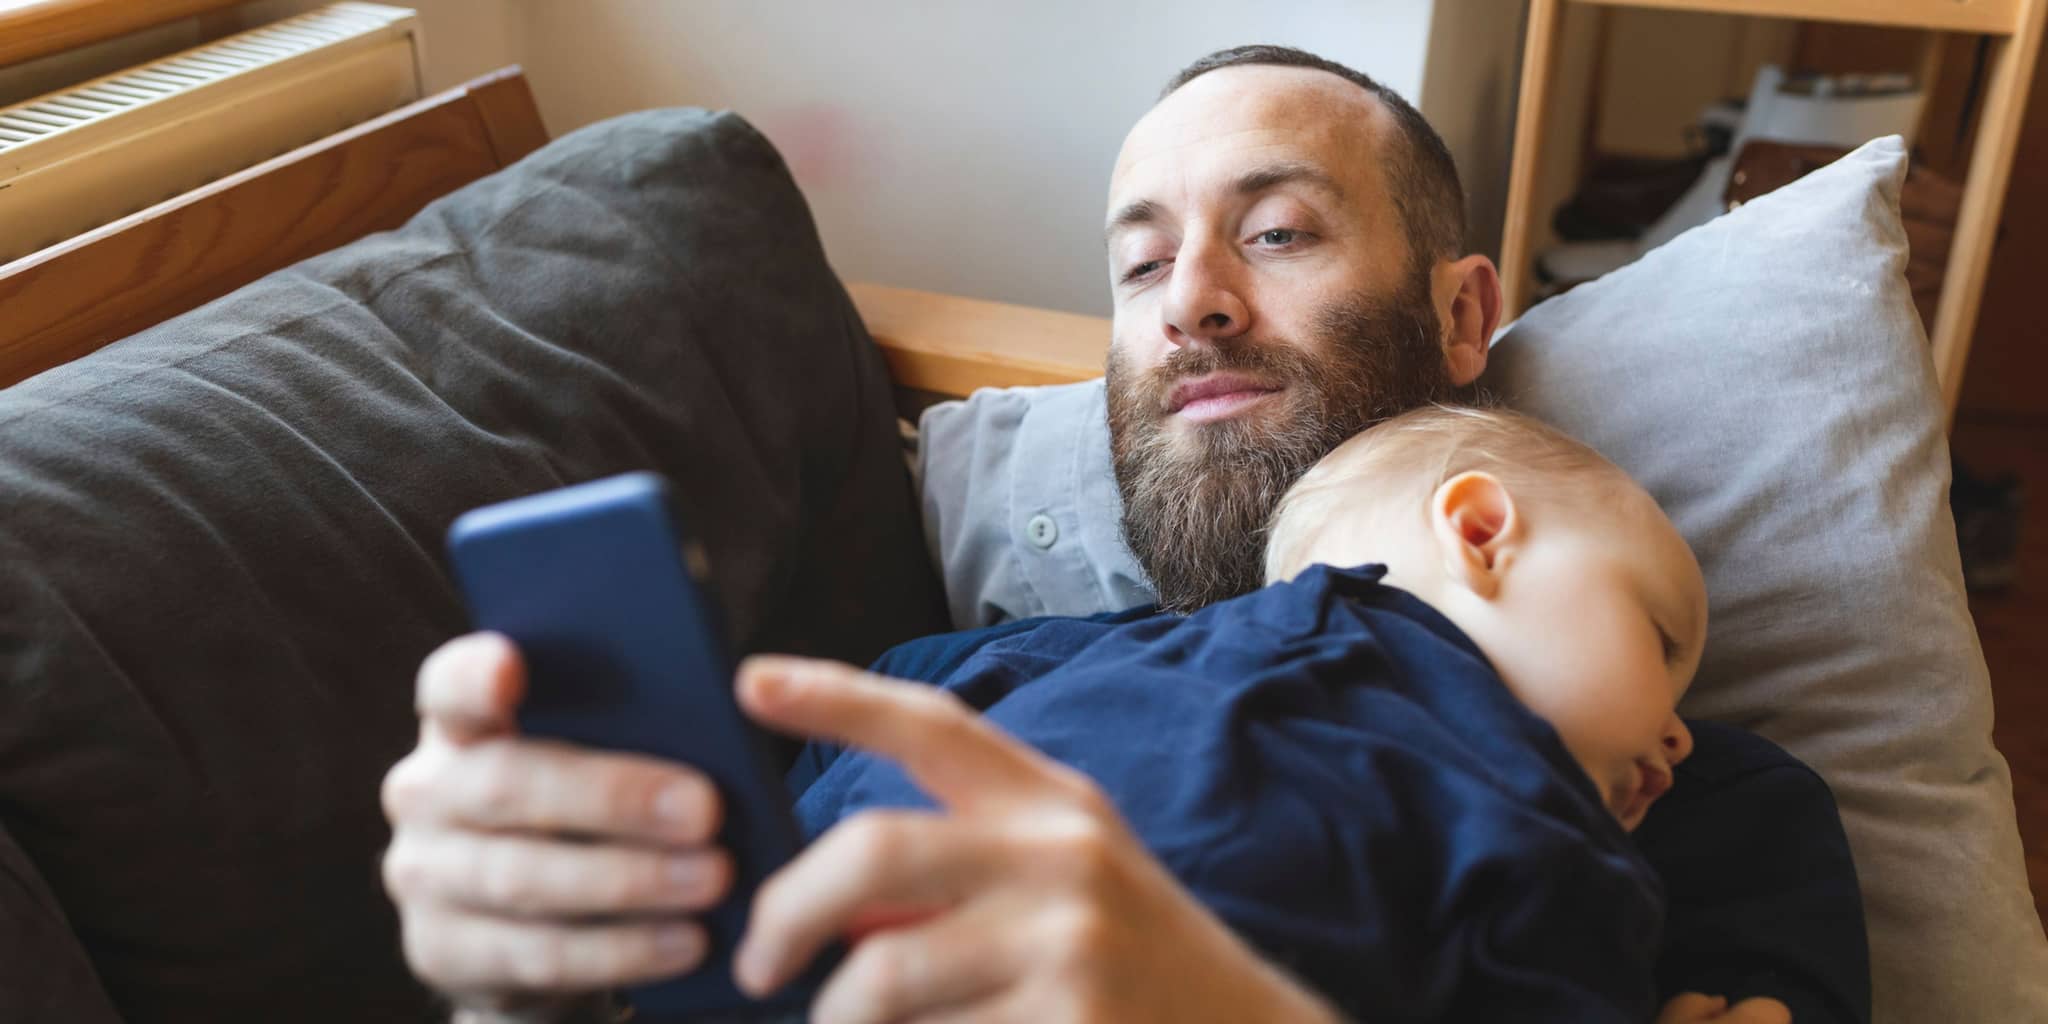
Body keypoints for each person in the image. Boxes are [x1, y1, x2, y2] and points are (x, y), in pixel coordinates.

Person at [380, 45, 1867, 1023]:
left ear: (1463, 311)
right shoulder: (977, 677)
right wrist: (538, 956)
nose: (1189, 302)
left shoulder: (1688, 800)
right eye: (1142, 262)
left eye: (1276, 233)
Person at [791, 405, 1748, 1021]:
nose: (1681, 732)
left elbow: (855, 784)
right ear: (1482, 533)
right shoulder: (1553, 838)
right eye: (1660, 640)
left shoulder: (1092, 656)